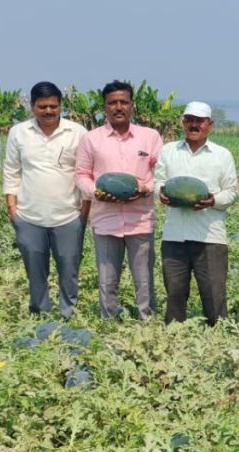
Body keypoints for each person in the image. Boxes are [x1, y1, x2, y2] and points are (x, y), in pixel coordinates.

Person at [75, 80, 163, 320]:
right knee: (107, 280)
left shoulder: (150, 137)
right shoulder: (91, 139)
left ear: (132, 105)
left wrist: (145, 188)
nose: (118, 107)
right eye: (112, 103)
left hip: (140, 220)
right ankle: (109, 324)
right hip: (105, 220)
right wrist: (96, 192)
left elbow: (163, 174)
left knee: (144, 280)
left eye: (123, 102)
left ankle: (148, 322)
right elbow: (81, 175)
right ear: (104, 107)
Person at [3, 82, 88, 318]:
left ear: (61, 106)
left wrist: (84, 211)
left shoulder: (78, 132)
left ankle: (69, 313)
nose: (48, 111)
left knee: (69, 268)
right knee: (34, 268)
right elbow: (11, 171)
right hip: (29, 215)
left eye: (53, 106)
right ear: (32, 107)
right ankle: (40, 312)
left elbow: (85, 171)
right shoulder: (18, 132)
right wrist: (13, 209)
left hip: (69, 215)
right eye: (42, 107)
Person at [155, 101, 237, 325]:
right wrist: (160, 194)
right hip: (174, 236)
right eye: (189, 120)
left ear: (210, 125)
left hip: (210, 238)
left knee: (214, 297)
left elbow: (231, 193)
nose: (194, 125)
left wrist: (212, 201)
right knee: (174, 294)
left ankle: (218, 340)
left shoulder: (222, 155)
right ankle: (173, 341)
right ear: (183, 122)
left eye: (199, 121)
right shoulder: (168, 151)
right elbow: (158, 182)